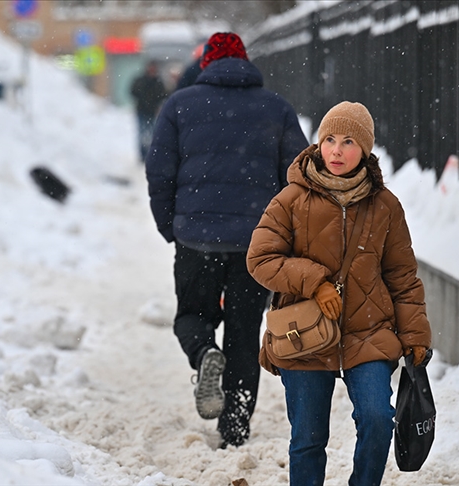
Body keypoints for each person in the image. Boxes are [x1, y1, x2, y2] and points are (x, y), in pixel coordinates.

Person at [246, 101, 432, 485]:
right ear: (318, 143)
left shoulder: (386, 206)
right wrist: (313, 281)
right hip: (305, 332)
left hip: (369, 330)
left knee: (379, 421)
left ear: (364, 150)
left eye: (348, 141)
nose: (336, 150)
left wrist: (415, 335)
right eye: (329, 139)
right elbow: (260, 259)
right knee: (308, 440)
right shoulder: (291, 200)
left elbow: (402, 276)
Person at [144, 32, 308, 448]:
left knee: (192, 316)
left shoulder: (179, 107)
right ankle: (235, 427)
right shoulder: (277, 108)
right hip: (256, 244)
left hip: (196, 239)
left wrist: (171, 226)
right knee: (243, 331)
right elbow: (300, 180)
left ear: (206, 64)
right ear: (246, 61)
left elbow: (159, 173)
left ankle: (202, 354)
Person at [130, 60, 168, 162]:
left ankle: (150, 154)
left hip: (153, 112)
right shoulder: (141, 81)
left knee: (151, 134)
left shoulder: (158, 82)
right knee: (142, 133)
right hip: (142, 111)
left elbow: (163, 95)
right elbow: (133, 91)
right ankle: (143, 154)